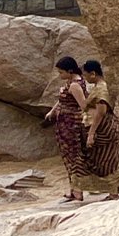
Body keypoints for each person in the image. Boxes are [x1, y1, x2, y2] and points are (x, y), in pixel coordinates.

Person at [45, 56, 92, 202]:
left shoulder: (75, 85)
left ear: (70, 71)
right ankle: (74, 188)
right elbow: (62, 99)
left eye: (61, 72)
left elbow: (83, 105)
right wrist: (53, 111)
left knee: (74, 155)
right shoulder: (70, 83)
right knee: (69, 155)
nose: (60, 75)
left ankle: (78, 190)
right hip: (65, 123)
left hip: (72, 124)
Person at [79, 59, 119, 201]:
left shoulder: (101, 89)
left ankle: (113, 192)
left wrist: (91, 133)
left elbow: (101, 112)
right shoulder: (99, 86)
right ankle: (114, 189)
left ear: (93, 74)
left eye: (86, 75)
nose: (85, 78)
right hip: (101, 126)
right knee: (104, 158)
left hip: (103, 127)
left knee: (107, 159)